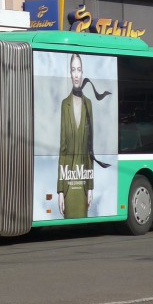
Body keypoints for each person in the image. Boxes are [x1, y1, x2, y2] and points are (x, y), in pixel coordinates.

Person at [57, 54, 111, 219]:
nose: (76, 74)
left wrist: (90, 187)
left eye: (79, 70)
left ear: (82, 73)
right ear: (70, 73)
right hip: (68, 180)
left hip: (83, 180)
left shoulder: (89, 104)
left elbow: (90, 148)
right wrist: (60, 190)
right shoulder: (64, 104)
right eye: (73, 70)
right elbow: (63, 147)